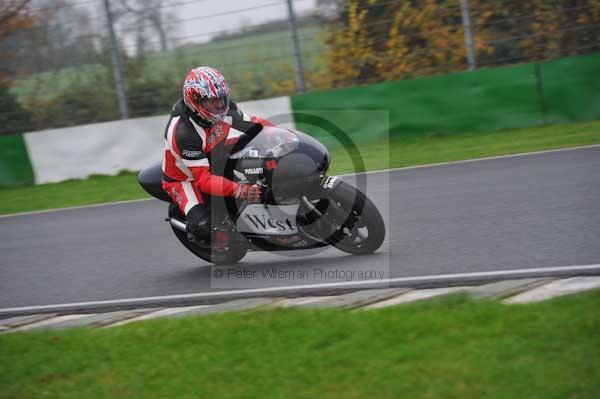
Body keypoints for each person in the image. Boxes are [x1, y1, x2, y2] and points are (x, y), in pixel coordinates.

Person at [161, 66, 271, 249]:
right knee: (204, 226)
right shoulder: (183, 132)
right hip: (185, 178)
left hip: (214, 157)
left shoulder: (225, 109)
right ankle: (215, 237)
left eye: (221, 98)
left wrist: (282, 135)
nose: (219, 106)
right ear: (195, 101)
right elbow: (203, 180)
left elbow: (254, 125)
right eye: (212, 101)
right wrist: (241, 190)